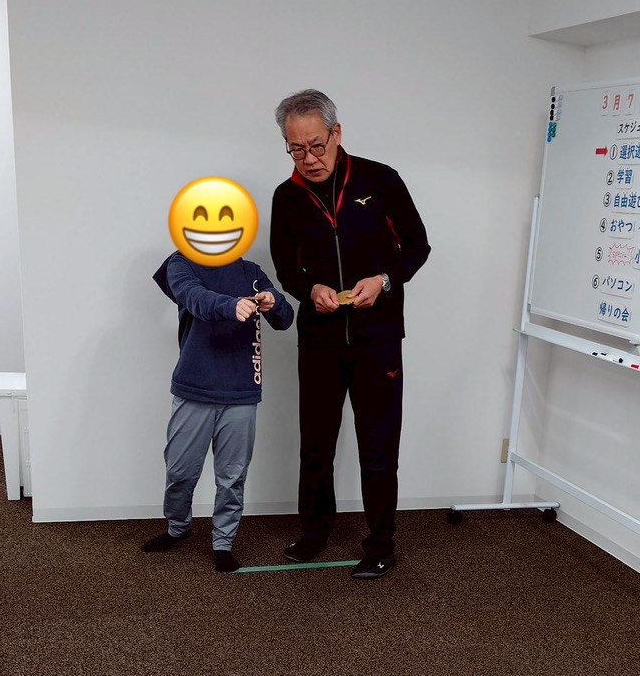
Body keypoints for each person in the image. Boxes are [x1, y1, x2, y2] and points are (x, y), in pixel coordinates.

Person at [269, 89, 430, 579]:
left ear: (336, 133)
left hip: (377, 338)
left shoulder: (380, 180)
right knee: (316, 445)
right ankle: (314, 532)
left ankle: (380, 544)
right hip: (319, 340)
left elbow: (417, 247)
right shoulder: (286, 197)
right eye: (296, 149)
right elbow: (285, 268)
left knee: (378, 448)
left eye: (316, 145)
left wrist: (383, 281)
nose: (309, 159)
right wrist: (310, 289)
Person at [142, 252, 293, 571]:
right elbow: (194, 297)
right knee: (180, 471)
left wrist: (273, 301)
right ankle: (178, 528)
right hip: (193, 387)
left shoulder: (251, 271)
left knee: (232, 476)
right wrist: (231, 305)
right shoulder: (181, 263)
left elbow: (285, 319)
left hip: (241, 391)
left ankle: (223, 542)